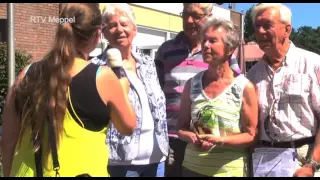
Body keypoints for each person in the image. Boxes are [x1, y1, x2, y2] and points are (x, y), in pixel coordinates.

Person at [1, 3, 136, 177]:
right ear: (97, 34)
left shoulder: (26, 73)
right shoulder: (103, 77)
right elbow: (128, 127)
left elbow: (7, 140)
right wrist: (122, 91)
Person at [154, 3, 241, 177]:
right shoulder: (166, 50)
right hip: (172, 138)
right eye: (185, 15)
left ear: (209, 16)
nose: (189, 20)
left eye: (195, 15)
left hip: (208, 139)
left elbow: (234, 85)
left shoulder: (218, 49)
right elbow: (156, 91)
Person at [91, 3, 168, 177]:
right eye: (112, 26)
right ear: (103, 33)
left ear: (135, 29)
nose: (119, 30)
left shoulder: (148, 63)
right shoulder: (97, 68)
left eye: (124, 24)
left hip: (156, 157)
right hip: (120, 161)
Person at [176, 17, 258, 177]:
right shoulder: (192, 84)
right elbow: (181, 128)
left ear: (229, 48)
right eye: (204, 40)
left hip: (228, 171)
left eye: (213, 41)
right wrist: (190, 136)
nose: (205, 45)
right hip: (192, 168)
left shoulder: (244, 87)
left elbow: (251, 136)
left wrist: (219, 140)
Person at [247, 3, 320, 177]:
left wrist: (311, 164)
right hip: (263, 163)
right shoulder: (252, 75)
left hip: (304, 162)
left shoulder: (313, 65)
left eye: (267, 25)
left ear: (287, 30)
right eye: (257, 26)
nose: (260, 32)